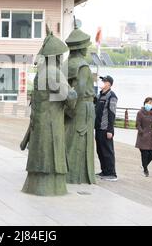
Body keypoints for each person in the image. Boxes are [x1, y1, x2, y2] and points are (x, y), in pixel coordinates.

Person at [20, 29, 77, 196]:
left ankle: (38, 186)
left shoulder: (42, 72)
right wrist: (73, 92)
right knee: (49, 156)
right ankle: (50, 187)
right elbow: (70, 98)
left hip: (41, 122)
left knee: (42, 156)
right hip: (51, 123)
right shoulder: (53, 73)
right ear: (57, 56)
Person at [63, 26, 96, 185]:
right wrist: (73, 109)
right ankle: (77, 176)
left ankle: (68, 173)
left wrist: (67, 110)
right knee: (80, 142)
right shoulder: (82, 66)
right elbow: (80, 91)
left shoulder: (65, 64)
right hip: (82, 108)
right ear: (81, 48)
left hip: (70, 108)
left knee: (69, 140)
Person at [94, 75, 118, 181]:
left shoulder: (111, 96)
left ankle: (112, 173)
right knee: (100, 151)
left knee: (108, 151)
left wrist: (110, 130)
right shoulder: (100, 95)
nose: (101, 83)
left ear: (108, 84)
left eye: (103, 81)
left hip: (105, 129)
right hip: (98, 128)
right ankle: (104, 171)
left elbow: (112, 114)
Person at [135, 97, 152, 177]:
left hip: (151, 136)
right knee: (144, 154)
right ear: (144, 103)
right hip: (143, 136)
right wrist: (142, 132)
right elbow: (137, 124)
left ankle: (144, 165)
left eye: (151, 103)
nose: (149, 104)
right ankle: (145, 169)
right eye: (147, 102)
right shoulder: (140, 113)